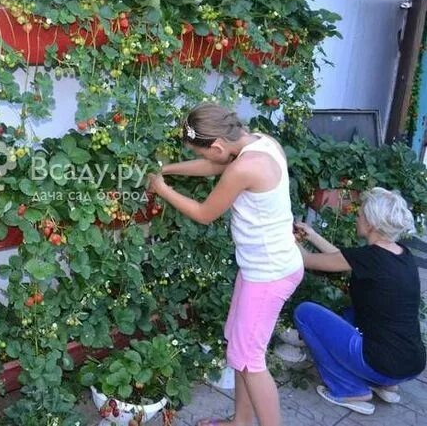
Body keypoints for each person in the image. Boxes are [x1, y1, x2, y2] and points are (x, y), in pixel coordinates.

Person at [147, 103, 303, 426]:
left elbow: (205, 214)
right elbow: (215, 167)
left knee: (250, 359)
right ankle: (241, 422)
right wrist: (169, 170)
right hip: (262, 268)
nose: (205, 159)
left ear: (217, 146)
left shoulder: (243, 168)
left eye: (203, 153)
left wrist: (162, 190)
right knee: (241, 346)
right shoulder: (259, 143)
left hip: (268, 274)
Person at [293, 187, 426, 416]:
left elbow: (306, 260)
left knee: (305, 312)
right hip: (411, 362)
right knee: (353, 315)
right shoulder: (402, 254)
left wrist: (285, 234)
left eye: (361, 213)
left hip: (383, 362)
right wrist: (312, 235)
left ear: (372, 223)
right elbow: (343, 259)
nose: (356, 216)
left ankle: (349, 388)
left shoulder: (369, 257)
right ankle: (385, 384)